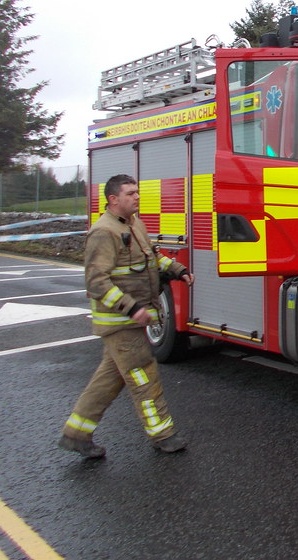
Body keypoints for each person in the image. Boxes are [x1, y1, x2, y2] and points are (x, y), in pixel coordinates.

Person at [58, 174, 194, 458]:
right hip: (121, 323)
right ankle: (163, 435)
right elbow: (97, 283)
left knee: (109, 379)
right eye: (130, 193)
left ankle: (76, 434)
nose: (137, 197)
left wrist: (178, 269)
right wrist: (132, 308)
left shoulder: (135, 225)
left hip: (130, 321)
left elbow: (153, 258)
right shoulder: (103, 232)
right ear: (113, 199)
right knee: (145, 378)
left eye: (137, 192)